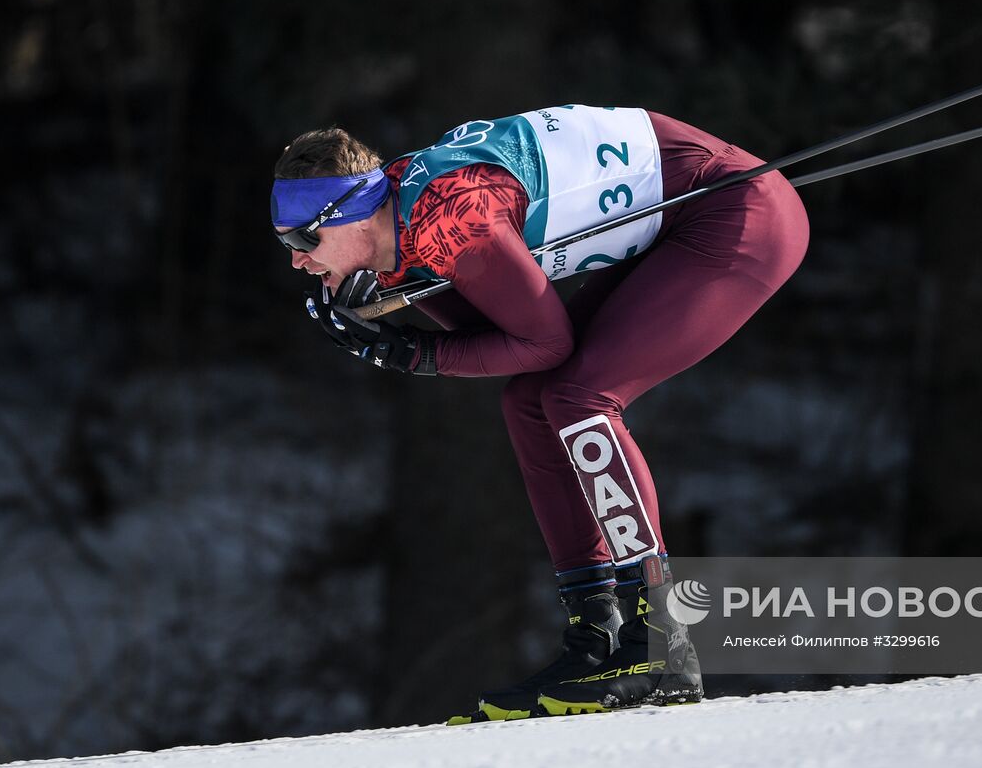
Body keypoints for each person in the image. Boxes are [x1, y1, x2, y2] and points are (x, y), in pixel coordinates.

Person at [271, 105, 809, 721]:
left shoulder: (450, 216)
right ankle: (597, 638)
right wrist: (397, 315)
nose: (296, 261)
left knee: (579, 396)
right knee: (532, 402)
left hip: (735, 212)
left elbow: (542, 343)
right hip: (676, 216)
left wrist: (411, 352)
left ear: (350, 214)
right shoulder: (404, 222)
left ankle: (662, 643)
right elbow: (504, 339)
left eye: (302, 240)